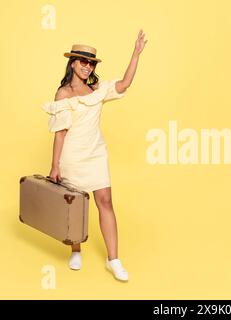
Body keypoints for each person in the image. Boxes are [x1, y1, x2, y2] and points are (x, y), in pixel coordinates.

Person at [42, 30, 147, 281]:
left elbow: (124, 83)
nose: (88, 66)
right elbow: (60, 133)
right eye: (83, 61)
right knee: (76, 205)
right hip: (72, 156)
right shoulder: (63, 94)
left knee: (106, 201)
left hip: (96, 153)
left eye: (91, 63)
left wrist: (136, 53)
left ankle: (114, 260)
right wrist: (54, 165)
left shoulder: (97, 90)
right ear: (73, 63)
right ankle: (75, 249)